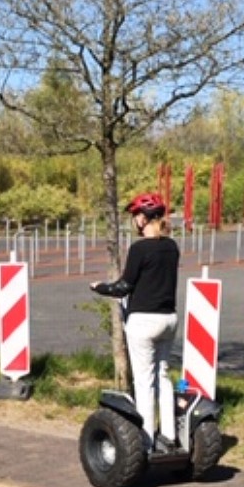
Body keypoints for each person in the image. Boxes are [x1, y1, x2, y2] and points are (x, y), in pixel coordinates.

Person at [90, 192, 180, 453]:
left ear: (143, 219)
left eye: (135, 216)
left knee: (143, 381)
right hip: (168, 318)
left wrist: (100, 287)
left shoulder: (140, 249)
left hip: (143, 320)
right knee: (163, 376)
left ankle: (146, 440)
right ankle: (169, 436)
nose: (134, 221)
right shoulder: (172, 246)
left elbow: (124, 286)